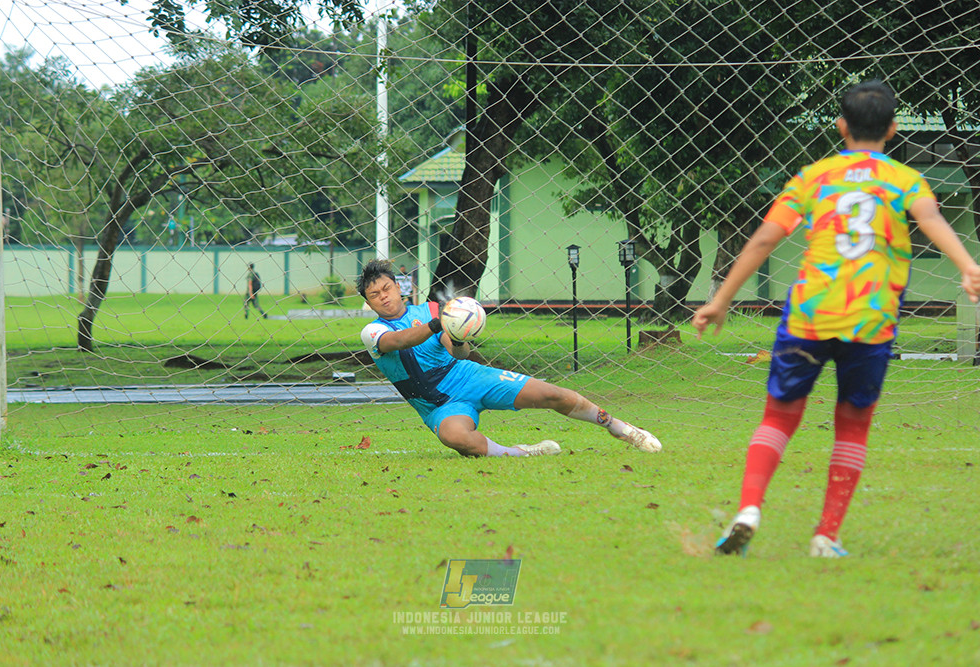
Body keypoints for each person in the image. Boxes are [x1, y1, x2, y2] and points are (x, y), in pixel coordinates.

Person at [693, 80, 980, 558]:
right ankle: (826, 536)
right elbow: (932, 221)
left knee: (778, 416)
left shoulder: (813, 177)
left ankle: (748, 510)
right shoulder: (906, 180)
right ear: (892, 129)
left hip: (810, 315)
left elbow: (764, 240)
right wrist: (968, 268)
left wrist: (721, 299)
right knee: (852, 424)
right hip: (870, 320)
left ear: (840, 125)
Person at [357, 259, 662, 457]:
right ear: (368, 302)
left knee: (551, 393)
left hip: (469, 377)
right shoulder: (373, 331)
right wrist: (438, 324)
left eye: (387, 288)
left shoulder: (432, 310)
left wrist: (460, 334)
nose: (383, 296)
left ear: (399, 287)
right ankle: (522, 453)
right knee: (456, 438)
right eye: (375, 295)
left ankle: (620, 428)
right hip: (439, 407)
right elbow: (398, 341)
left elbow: (458, 352)